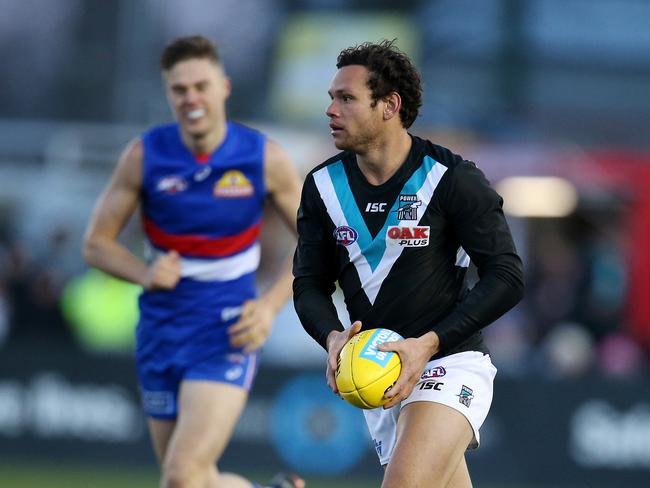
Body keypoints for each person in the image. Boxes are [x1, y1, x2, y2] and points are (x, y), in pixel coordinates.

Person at [293, 40, 524, 488]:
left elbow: (508, 276)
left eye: (346, 98)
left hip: (449, 362)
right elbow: (308, 285)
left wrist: (430, 343)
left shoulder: (452, 179)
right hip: (378, 377)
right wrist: (331, 336)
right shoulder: (322, 186)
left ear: (389, 106)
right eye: (331, 98)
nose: (331, 110)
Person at [83, 35, 304, 488]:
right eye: (179, 90)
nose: (191, 98)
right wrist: (143, 273)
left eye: (200, 85)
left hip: (227, 329)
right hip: (160, 333)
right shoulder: (145, 156)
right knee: (194, 479)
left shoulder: (264, 157)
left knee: (180, 477)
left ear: (223, 87)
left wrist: (268, 307)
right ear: (168, 94)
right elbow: (95, 244)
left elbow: (321, 243)